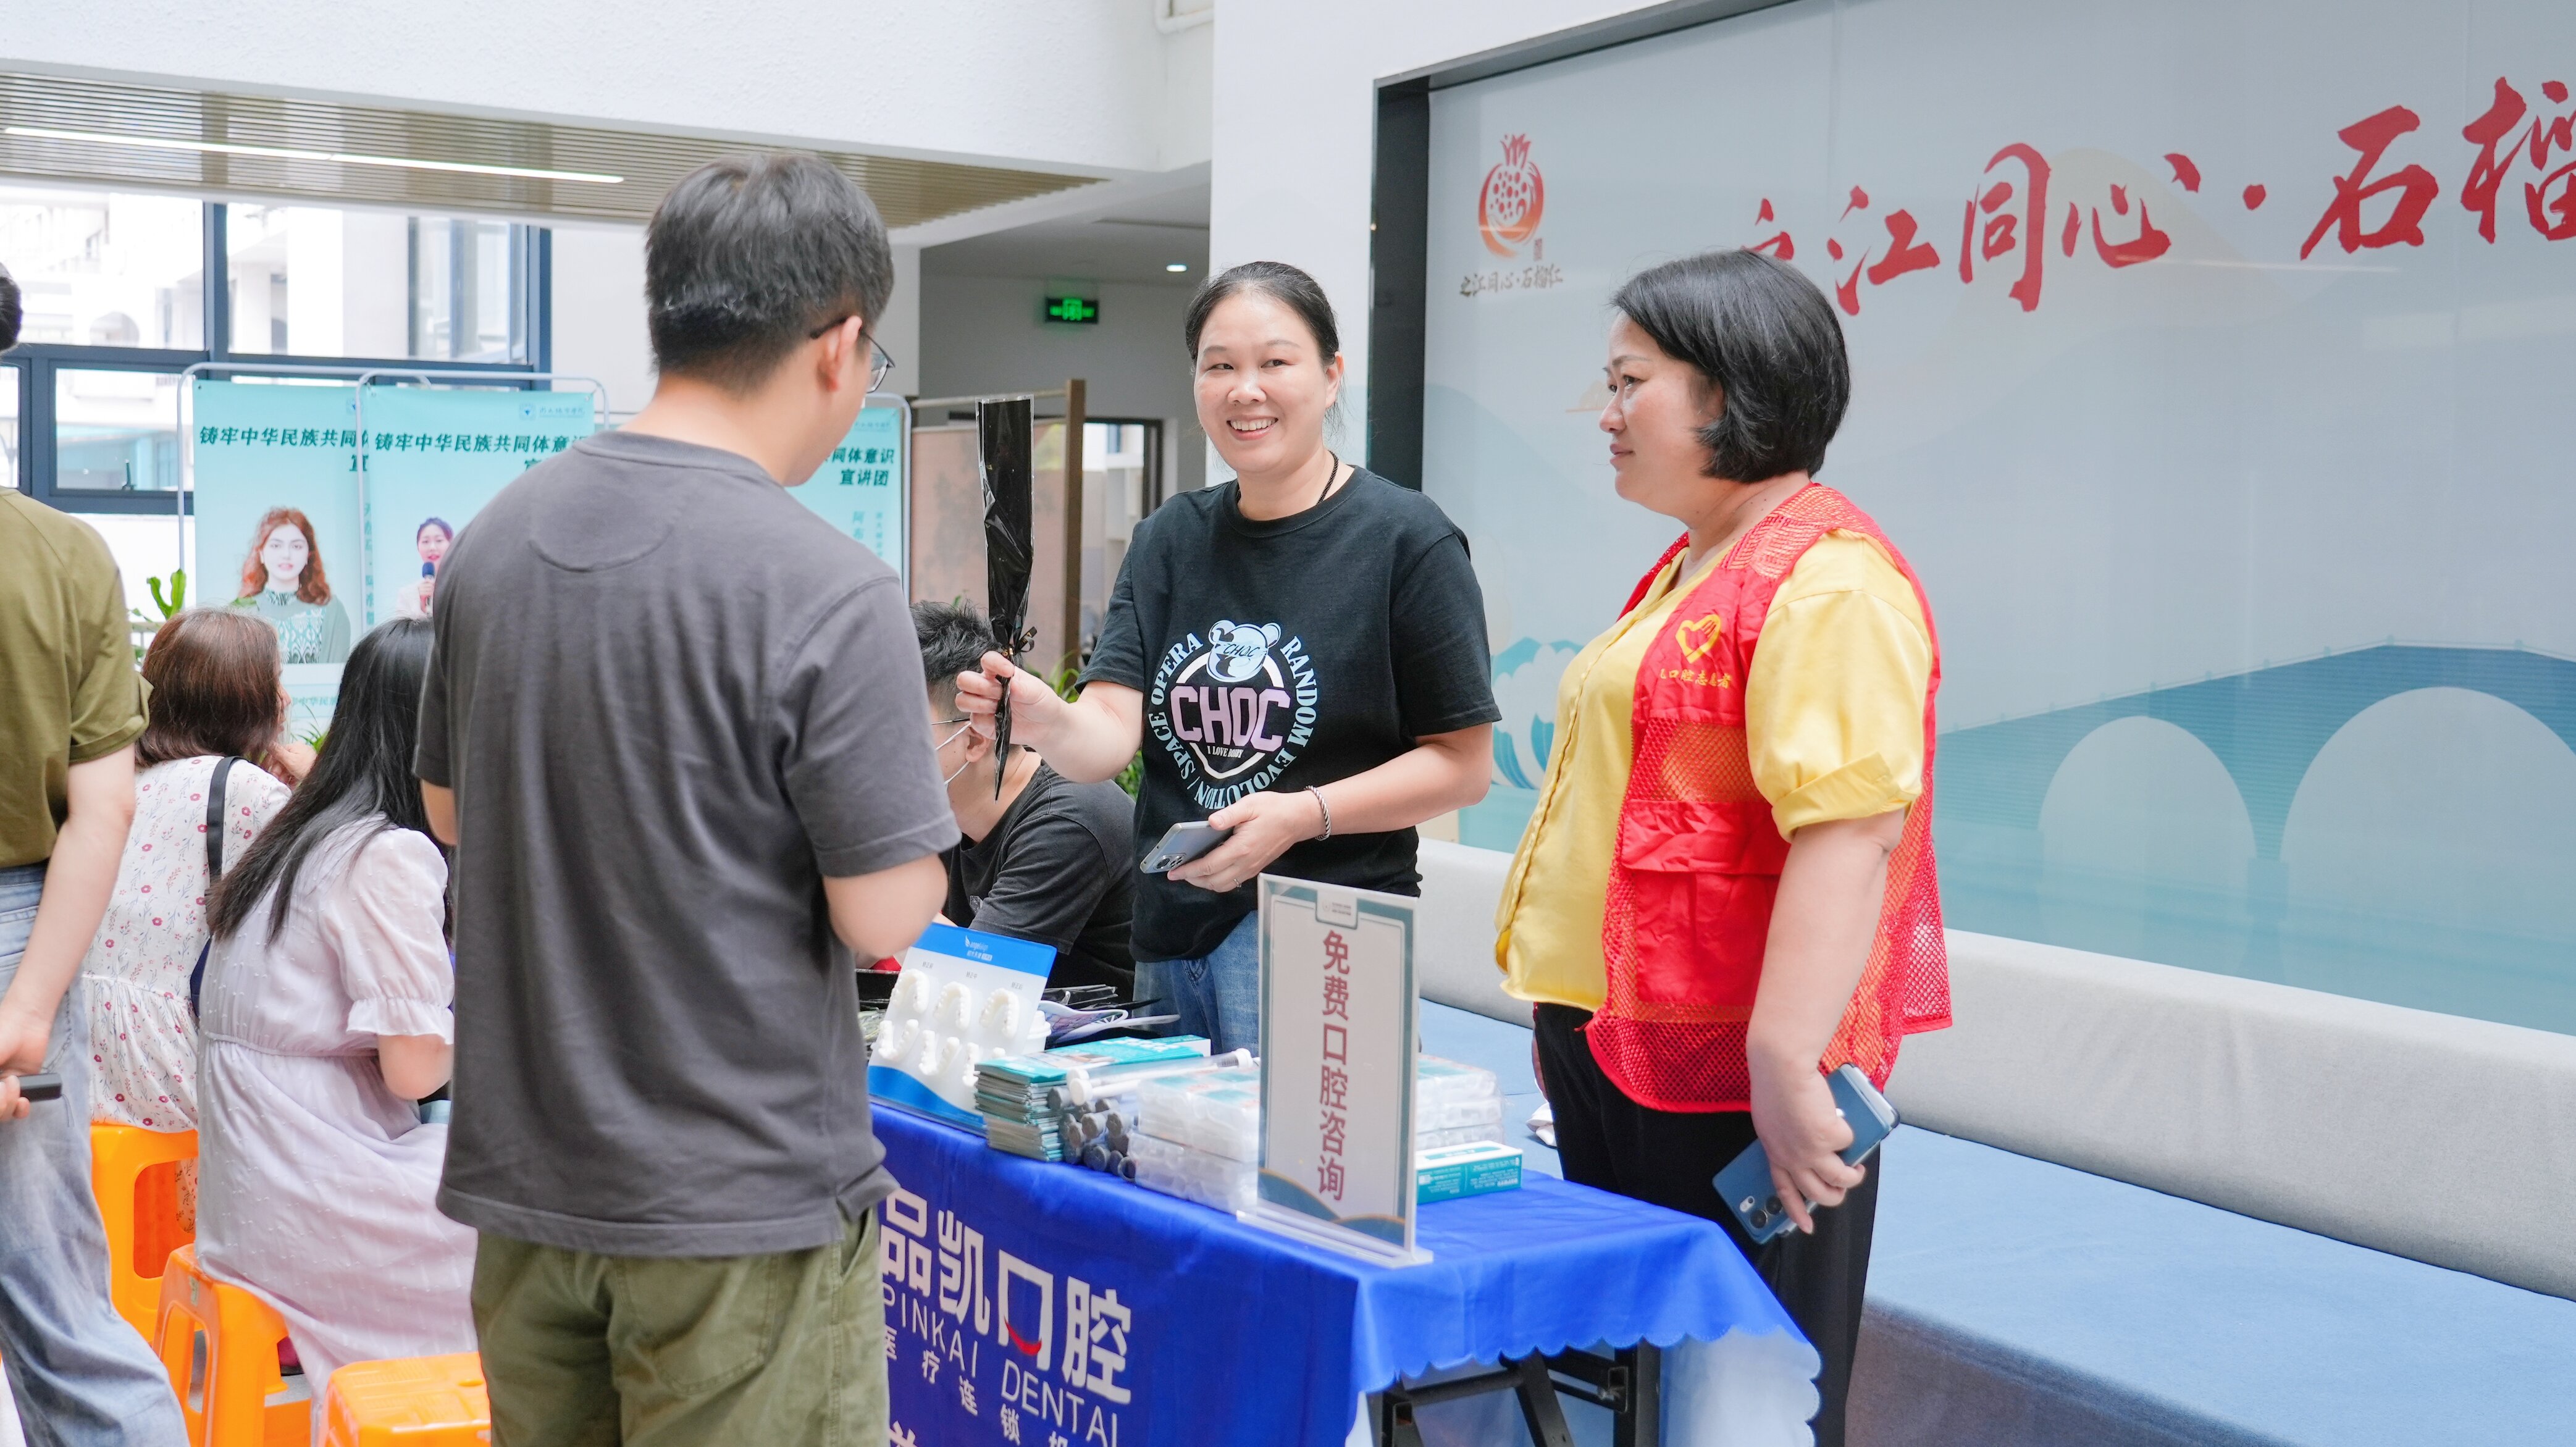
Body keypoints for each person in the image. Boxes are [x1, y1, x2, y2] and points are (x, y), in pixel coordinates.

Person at [417, 153, 952, 1446]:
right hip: (737, 1203)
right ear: (839, 344)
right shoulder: (827, 584)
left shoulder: (494, 541)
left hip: (529, 1189)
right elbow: (884, 909)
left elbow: (448, 811)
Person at [1492, 249, 1947, 1446]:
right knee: (1647, 1398)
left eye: (1628, 382)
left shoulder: (1828, 580)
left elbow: (1848, 828)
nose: (1606, 413)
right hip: (1628, 1048)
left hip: (1732, 1076)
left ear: (1727, 392)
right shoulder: (1702, 560)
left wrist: (1786, 1061)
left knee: (1738, 1408)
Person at [956, 261, 1498, 1055]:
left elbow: (1462, 765)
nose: (1246, 390)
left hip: (1327, 931)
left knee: (1313, 1145)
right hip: (1172, 932)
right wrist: (1047, 718)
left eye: (1275, 362)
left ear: (1331, 376)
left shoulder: (1406, 541)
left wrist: (1301, 815)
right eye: (1219, 366)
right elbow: (1107, 737)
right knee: (1172, 1140)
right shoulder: (1169, 538)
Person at [0, 258, 195, 1445]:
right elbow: (104, 809)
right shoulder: (66, 554)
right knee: (60, 1299)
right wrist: (27, 1008)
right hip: (29, 924)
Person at [196, 616, 469, 1433]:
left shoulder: (300, 836)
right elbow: (415, 1072)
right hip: (322, 1194)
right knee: (545, 1208)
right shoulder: (387, 856)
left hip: (255, 1194)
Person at [80, 610, 307, 1243]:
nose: (285, 697)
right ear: (243, 695)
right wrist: (314, 785)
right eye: (276, 679)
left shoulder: (123, 782)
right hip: (169, 1060)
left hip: (86, 1052)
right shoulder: (244, 789)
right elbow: (344, 880)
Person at [916, 600, 1135, 994]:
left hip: (1089, 1034)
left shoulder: (1068, 821)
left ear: (975, 737)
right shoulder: (940, 808)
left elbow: (977, 981)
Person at [229, 506, 352, 664]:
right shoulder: (239, 611)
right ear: (261, 553)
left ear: (309, 554)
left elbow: (337, 674)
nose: (286, 555)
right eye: (276, 546)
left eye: (296, 546)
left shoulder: (331, 609)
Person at [393, 517, 453, 620]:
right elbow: (402, 630)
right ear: (418, 547)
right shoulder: (407, 594)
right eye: (426, 542)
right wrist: (422, 606)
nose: (432, 547)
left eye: (439, 540)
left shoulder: (461, 587)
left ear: (452, 544)